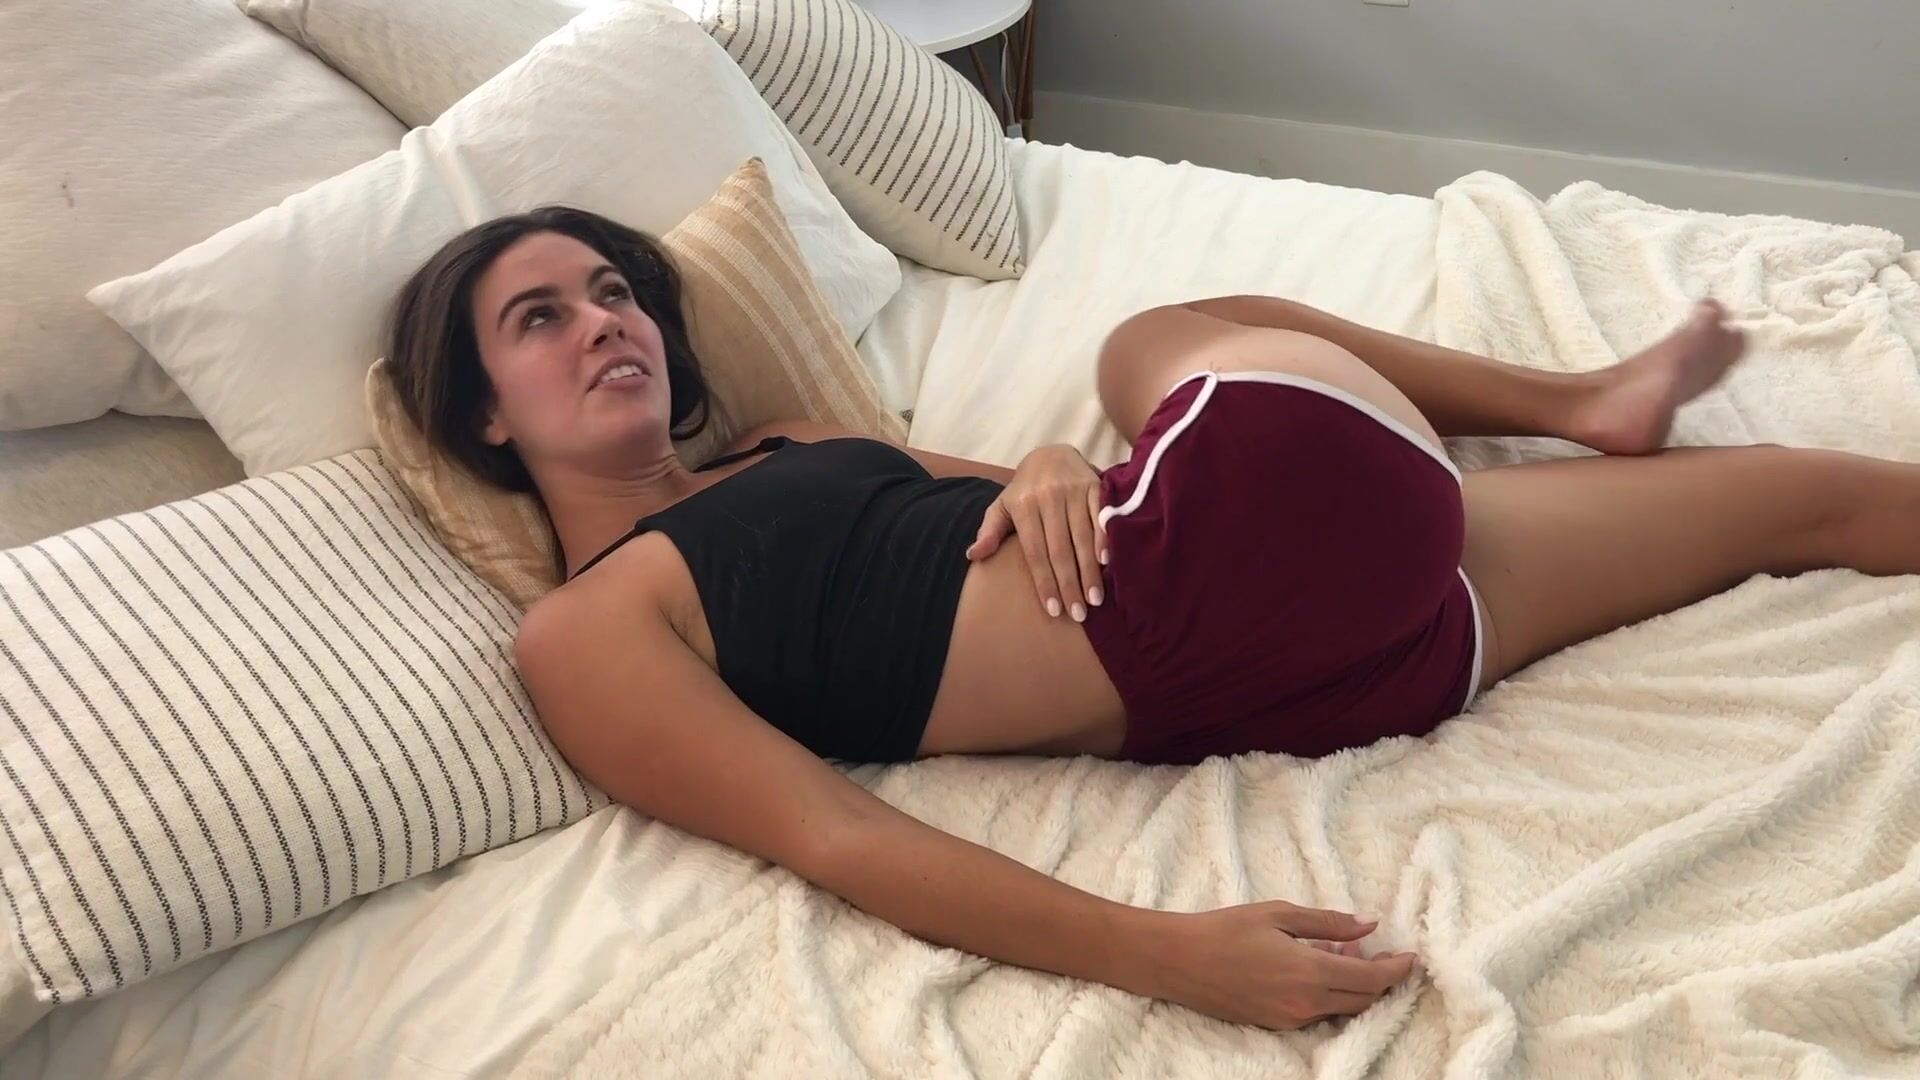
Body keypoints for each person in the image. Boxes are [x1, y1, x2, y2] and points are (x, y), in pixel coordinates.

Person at [384, 206, 1919, 1032]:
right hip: (1262, 634)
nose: (604, 322)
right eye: (542, 318)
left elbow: (1024, 492)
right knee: (1152, 339)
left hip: (1290, 584)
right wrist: (1164, 956)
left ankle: (1598, 405)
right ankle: (1579, 403)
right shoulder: (585, 633)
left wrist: (1053, 462)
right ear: (482, 414)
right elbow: (832, 835)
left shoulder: (793, 444)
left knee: (1804, 502)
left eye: (614, 292)